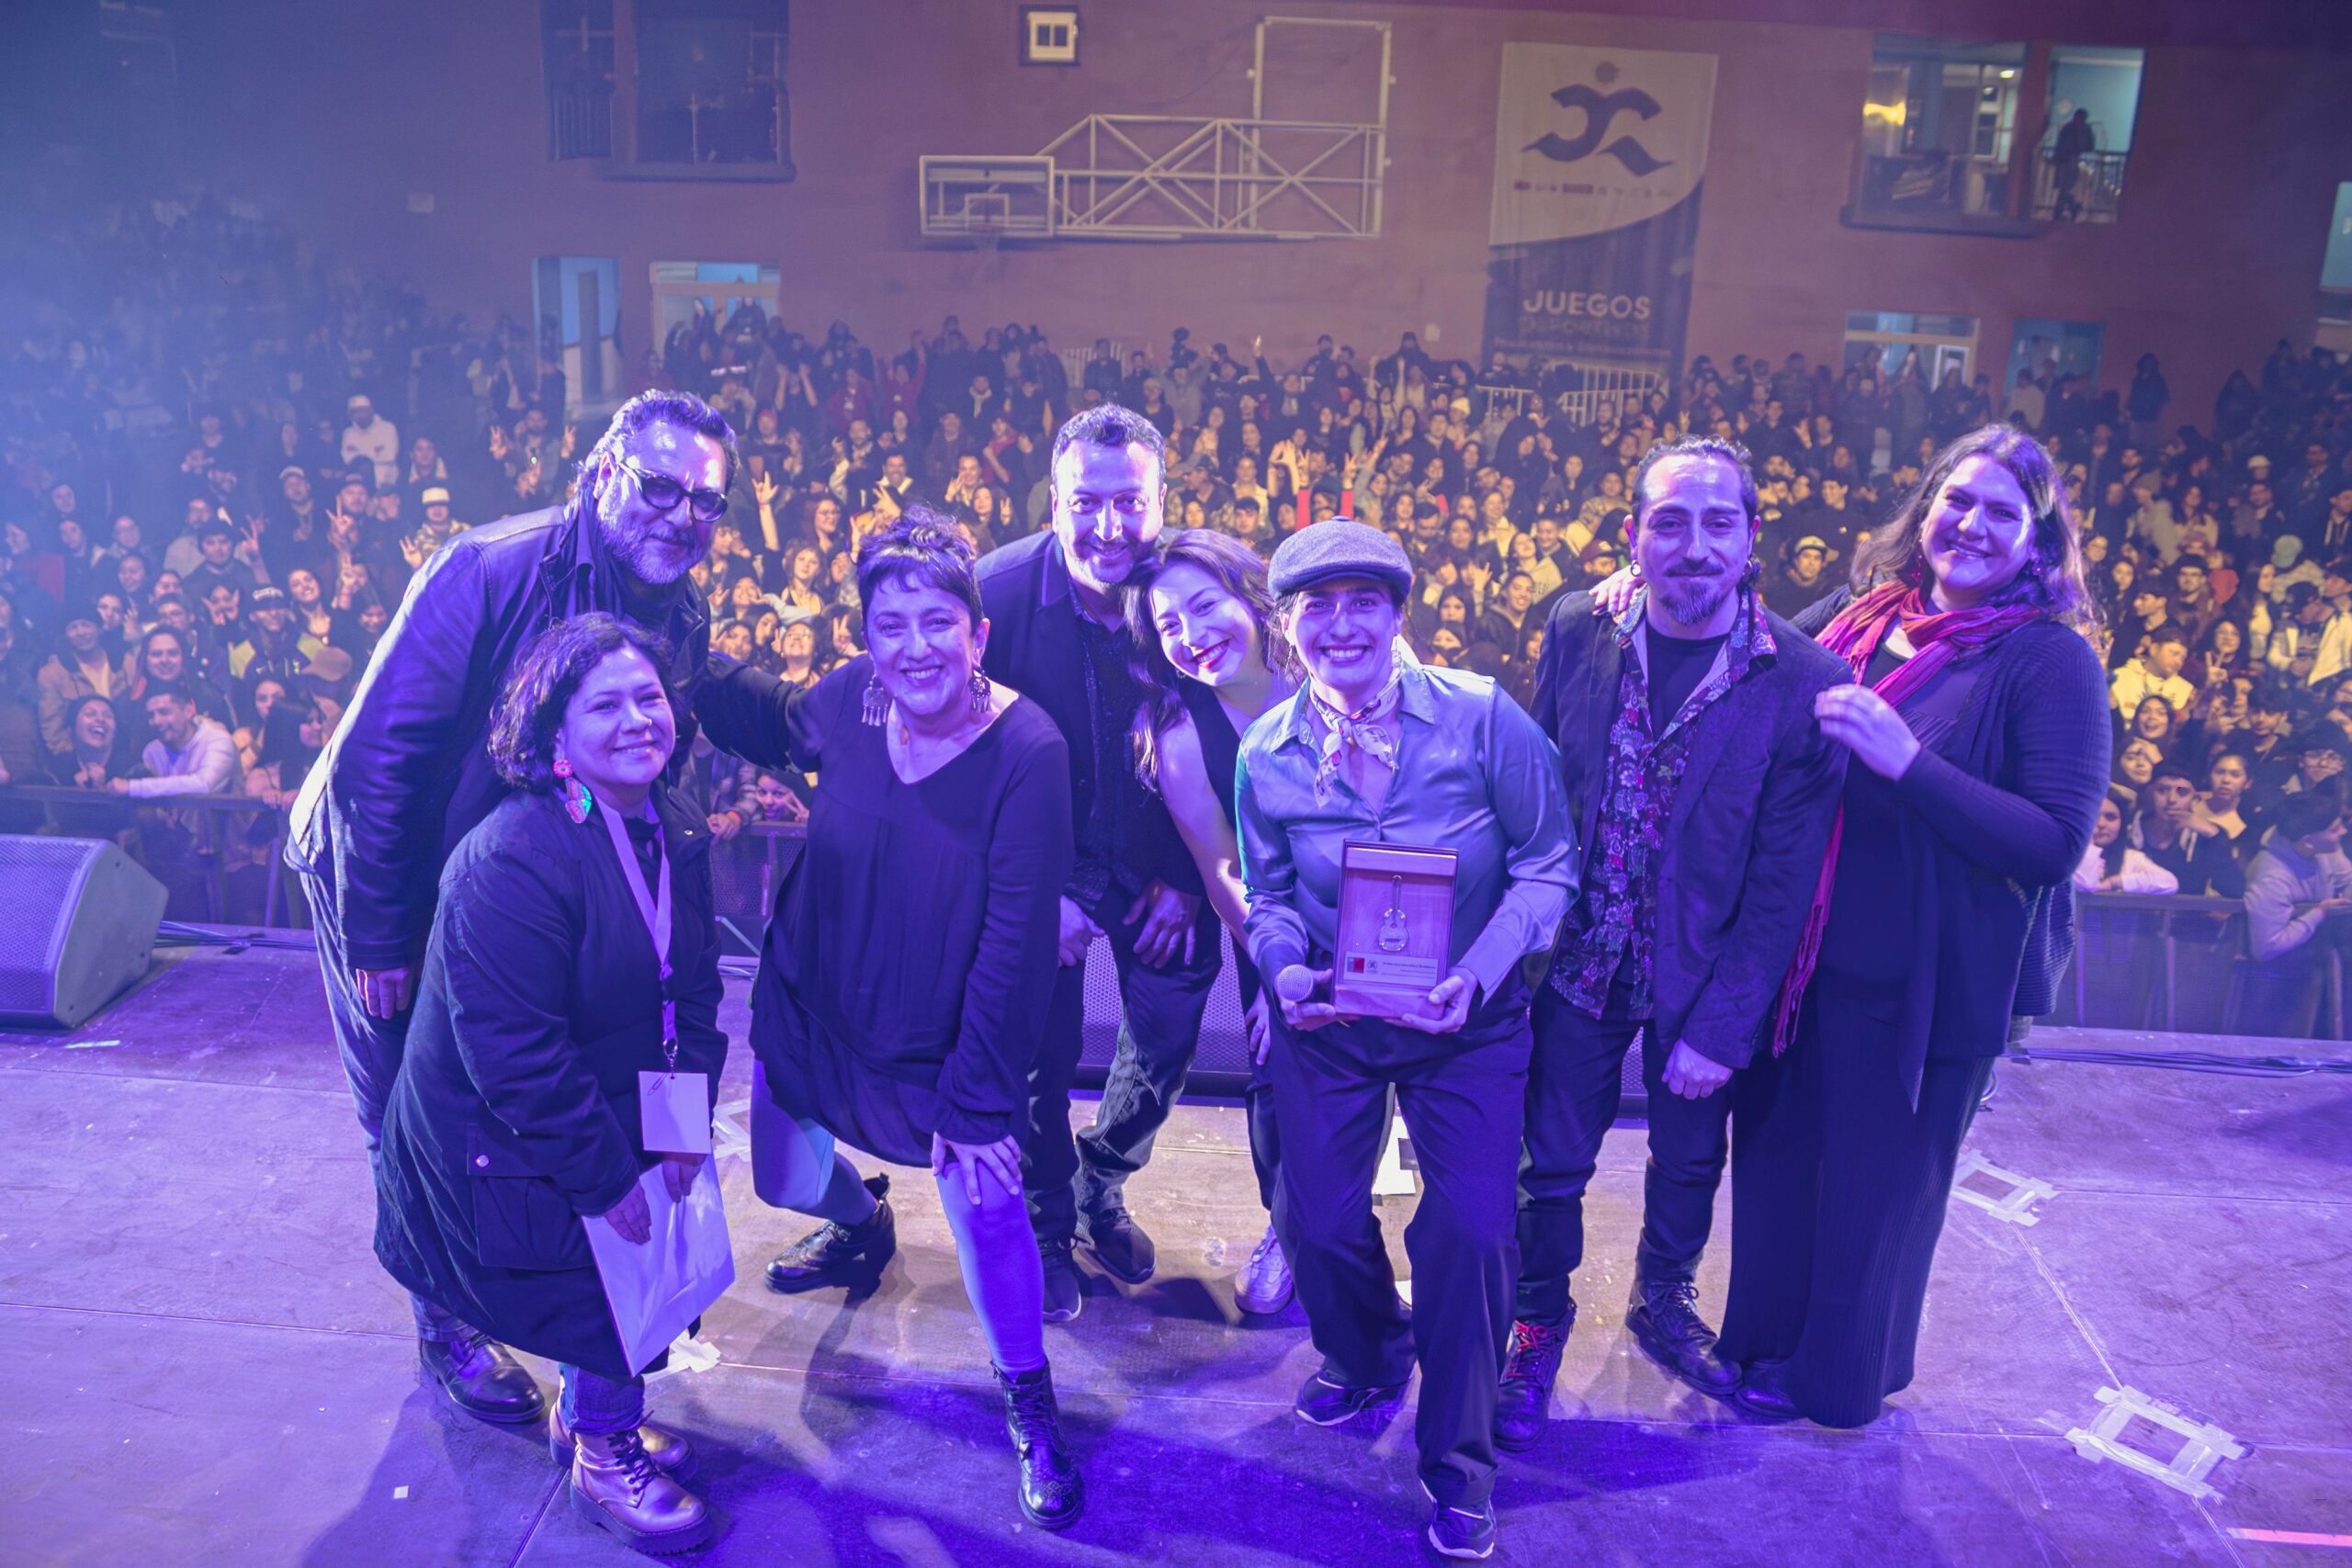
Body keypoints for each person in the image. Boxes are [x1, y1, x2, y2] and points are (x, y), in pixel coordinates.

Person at [288, 390, 735, 1426]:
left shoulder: (680, 605)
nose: (682, 515)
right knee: (412, 1105)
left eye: (706, 500)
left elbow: (651, 754)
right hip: (386, 867)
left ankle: (579, 1312)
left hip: (518, 880)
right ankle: (445, 1319)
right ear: (602, 474)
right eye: (659, 486)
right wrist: (382, 933)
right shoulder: (488, 568)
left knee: (553, 1081)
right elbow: (379, 764)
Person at [696, 512, 1082, 1528]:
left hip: (940, 1043)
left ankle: (1029, 1397)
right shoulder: (852, 700)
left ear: (977, 633)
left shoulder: (1028, 750)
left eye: (936, 622)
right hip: (814, 1005)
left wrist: (978, 1097)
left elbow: (1015, 942)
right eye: (889, 625)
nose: (914, 648)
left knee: (987, 1212)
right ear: (865, 638)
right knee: (783, 1180)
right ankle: (863, 1224)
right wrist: (675, 646)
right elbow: (770, 715)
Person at [1716, 425, 2108, 1427]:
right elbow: (1748, 650)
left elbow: (2052, 842)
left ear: (2037, 541)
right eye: (1956, 500)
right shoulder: (1858, 617)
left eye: (2002, 513)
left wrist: (1909, 763)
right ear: (1925, 507)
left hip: (1918, 988)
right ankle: (1762, 1346)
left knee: (1873, 1195)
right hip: (1800, 964)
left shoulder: (2048, 660)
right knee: (1776, 1167)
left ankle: (1836, 1380)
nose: (1971, 525)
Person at [1500, 438, 1849, 1450]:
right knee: (1548, 1166)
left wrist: (1723, 1029)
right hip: (1578, 956)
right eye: (1670, 522)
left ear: (1750, 538)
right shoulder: (1578, 625)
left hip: (1700, 976)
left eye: (1717, 523)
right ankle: (1536, 1323)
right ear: (1634, 536)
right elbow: (1538, 782)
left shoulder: (1801, 679)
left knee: (1690, 1160)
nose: (1694, 545)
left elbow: (1784, 881)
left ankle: (1662, 1299)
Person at [1235, 521, 1574, 1561]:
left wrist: (1481, 971)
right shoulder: (1263, 751)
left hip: (1466, 1024)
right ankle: (1370, 1353)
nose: (1341, 625)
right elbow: (1269, 897)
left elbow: (1548, 863)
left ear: (1397, 615)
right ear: (1286, 626)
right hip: (1335, 1021)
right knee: (1316, 1219)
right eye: (1316, 607)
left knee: (1470, 1232)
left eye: (1363, 603)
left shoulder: (1483, 717)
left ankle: (1461, 1462)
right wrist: (1283, 970)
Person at [373, 615, 726, 1552]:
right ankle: (605, 1454)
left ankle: (586, 1412)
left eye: (648, 696)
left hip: (597, 1082)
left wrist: (682, 1124)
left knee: (650, 1236)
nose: (637, 719)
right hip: (487, 1126)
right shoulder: (512, 857)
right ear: (553, 734)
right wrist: (605, 1178)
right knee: (610, 1263)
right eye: (605, 705)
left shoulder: (670, 822)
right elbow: (516, 1054)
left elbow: (692, 990)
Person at [976, 403, 1218, 1320]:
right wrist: (1036, 894)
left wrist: (1191, 879)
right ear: (1054, 502)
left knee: (1166, 1038)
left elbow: (1232, 730)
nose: (1109, 527)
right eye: (1087, 502)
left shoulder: (1194, 590)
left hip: (1163, 866)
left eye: (1130, 503)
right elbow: (968, 759)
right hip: (1043, 869)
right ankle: (1046, 1225)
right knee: (1040, 1055)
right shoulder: (995, 596)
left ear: (1163, 502)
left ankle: (1098, 1184)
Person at [1125, 528, 1303, 1314]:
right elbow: (1223, 872)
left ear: (1250, 596)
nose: (1192, 636)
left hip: (1380, 911)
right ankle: (1289, 1230)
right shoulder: (1177, 733)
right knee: (1278, 1067)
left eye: (1204, 607)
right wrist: (1281, 972)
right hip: (1275, 927)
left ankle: (1347, 1226)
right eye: (1169, 626)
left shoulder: (1323, 662)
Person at [2237, 789, 2352, 1036]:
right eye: (2335, 829)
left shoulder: (2326, 849)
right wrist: (2319, 913)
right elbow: (2266, 947)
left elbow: (2348, 877)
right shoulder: (2271, 878)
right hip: (2270, 982)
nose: (2344, 831)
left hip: (2312, 967)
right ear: (2308, 840)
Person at [2075, 788, 2177, 894]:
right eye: (2093, 816)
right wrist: (2090, 845)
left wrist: (2114, 883)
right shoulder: (2068, 856)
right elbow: (2086, 884)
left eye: (2111, 817)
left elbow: (2169, 883)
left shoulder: (2130, 858)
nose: (2101, 824)